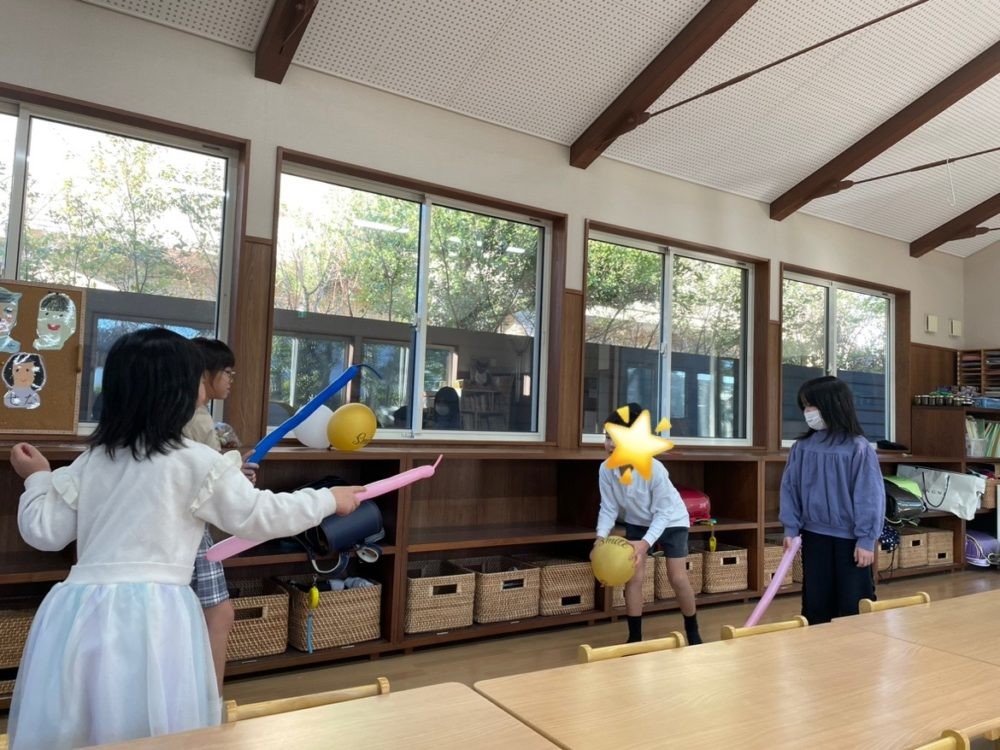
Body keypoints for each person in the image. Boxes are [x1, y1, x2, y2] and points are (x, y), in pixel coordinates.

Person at [7, 328, 363, 749]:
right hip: (155, 616)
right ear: (179, 392)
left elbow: (44, 531)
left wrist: (38, 478)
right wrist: (328, 498)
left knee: (81, 723)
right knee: (151, 721)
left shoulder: (93, 460)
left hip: (76, 613)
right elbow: (258, 515)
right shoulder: (196, 461)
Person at [592, 402, 702, 645]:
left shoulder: (655, 469)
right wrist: (600, 538)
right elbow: (608, 507)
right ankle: (635, 638)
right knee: (634, 578)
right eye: (607, 437)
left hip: (672, 521)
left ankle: (693, 631)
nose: (610, 445)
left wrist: (644, 544)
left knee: (677, 578)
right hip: (637, 522)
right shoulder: (605, 470)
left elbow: (663, 514)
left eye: (617, 439)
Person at [779, 375, 886, 624]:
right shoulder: (802, 447)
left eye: (811, 405)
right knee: (816, 605)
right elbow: (790, 489)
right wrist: (790, 528)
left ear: (832, 405)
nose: (807, 412)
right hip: (814, 537)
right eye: (805, 406)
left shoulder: (858, 448)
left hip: (851, 542)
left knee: (854, 606)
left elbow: (870, 497)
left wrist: (866, 540)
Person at [182, 337, 252, 697]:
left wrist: (233, 470)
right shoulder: (196, 417)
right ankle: (210, 705)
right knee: (218, 615)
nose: (231, 379)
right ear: (203, 374)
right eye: (227, 372)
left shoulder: (196, 417)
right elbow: (209, 482)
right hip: (190, 530)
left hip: (189, 528)